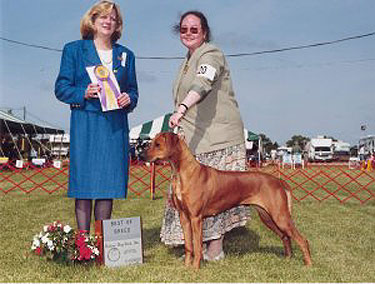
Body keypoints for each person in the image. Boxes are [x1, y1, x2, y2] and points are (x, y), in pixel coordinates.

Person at [161, 10, 250, 261]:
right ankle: (194, 248)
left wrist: (181, 108)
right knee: (189, 196)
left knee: (216, 196)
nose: (188, 33)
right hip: (194, 139)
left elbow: (203, 83)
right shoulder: (187, 60)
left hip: (218, 136)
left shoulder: (211, 54)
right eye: (183, 29)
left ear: (204, 32)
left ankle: (214, 249)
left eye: (194, 29)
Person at [55, 1, 138, 236]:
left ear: (117, 24)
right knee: (83, 184)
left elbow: (133, 91)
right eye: (102, 16)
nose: (107, 21)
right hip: (86, 123)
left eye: (112, 17)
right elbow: (61, 87)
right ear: (92, 21)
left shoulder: (126, 55)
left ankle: (102, 243)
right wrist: (83, 92)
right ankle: (84, 243)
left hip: (114, 126)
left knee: (107, 183)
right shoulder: (73, 50)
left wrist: (128, 99)